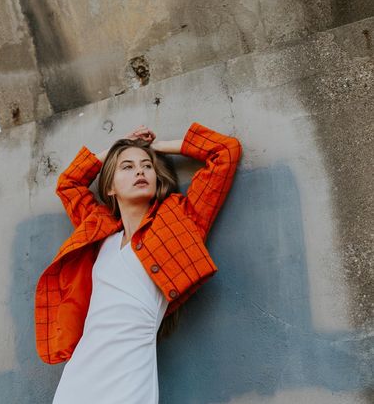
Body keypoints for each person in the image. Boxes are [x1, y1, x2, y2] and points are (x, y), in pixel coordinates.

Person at [35, 121, 242, 404]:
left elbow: (225, 151)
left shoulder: (180, 221)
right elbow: (68, 183)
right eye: (127, 167)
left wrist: (154, 147)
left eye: (147, 166)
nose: (140, 171)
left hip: (132, 370)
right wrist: (120, 146)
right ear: (109, 187)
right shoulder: (99, 230)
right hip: (82, 372)